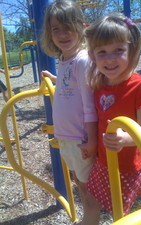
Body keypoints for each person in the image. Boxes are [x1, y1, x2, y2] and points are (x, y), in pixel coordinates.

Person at [78, 13, 141, 225]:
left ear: (131, 50)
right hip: (103, 161)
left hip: (126, 167)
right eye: (102, 52)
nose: (110, 58)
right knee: (90, 202)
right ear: (93, 56)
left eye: (118, 50)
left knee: (119, 215)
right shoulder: (99, 83)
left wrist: (126, 138)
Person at [40, 1, 97, 224]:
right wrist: (55, 80)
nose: (62, 34)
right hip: (67, 136)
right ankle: (88, 218)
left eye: (68, 27)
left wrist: (91, 140)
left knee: (87, 187)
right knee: (79, 182)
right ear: (50, 33)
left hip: (80, 138)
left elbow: (89, 104)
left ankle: (90, 221)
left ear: (81, 27)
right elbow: (70, 86)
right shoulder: (64, 60)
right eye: (56, 29)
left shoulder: (82, 60)